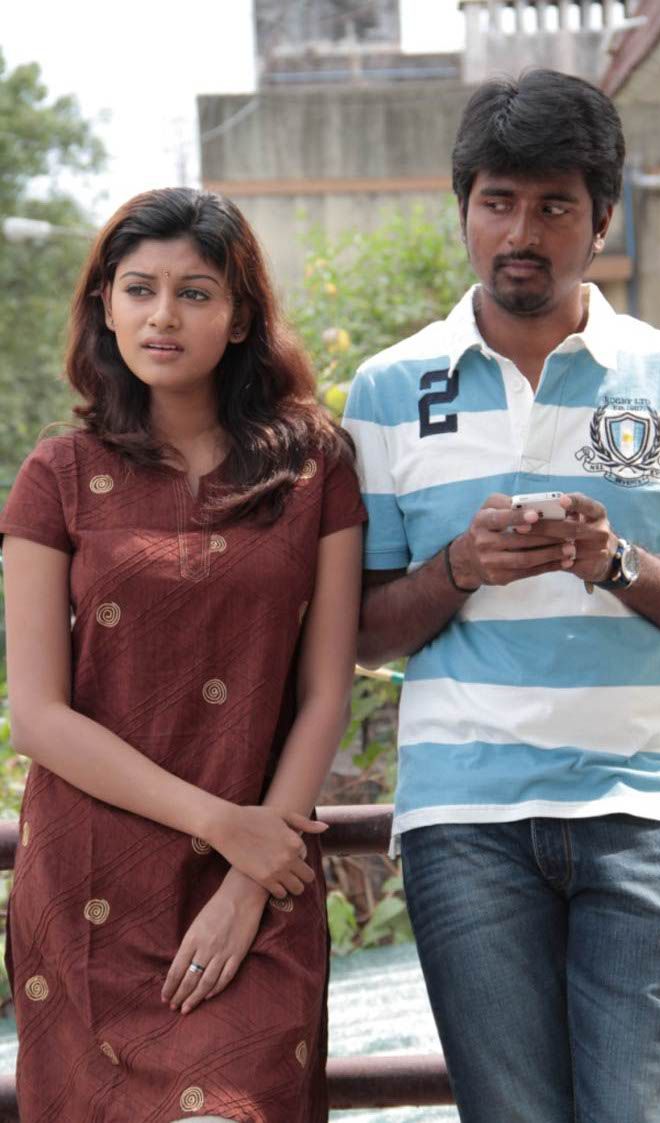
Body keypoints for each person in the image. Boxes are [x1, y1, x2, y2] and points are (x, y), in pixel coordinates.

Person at [343, 70, 660, 1123]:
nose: (522, 232)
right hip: (463, 818)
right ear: (464, 209)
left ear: (602, 219)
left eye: (555, 206)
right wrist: (458, 568)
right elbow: (360, 632)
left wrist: (616, 562)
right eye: (498, 201)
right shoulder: (387, 389)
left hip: (641, 806)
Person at [1, 187, 365, 1123]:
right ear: (106, 307)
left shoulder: (314, 467)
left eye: (195, 292)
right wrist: (220, 822)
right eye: (139, 289)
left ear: (240, 316)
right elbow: (36, 715)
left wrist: (248, 870)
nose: (163, 315)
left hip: (262, 870)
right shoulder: (57, 476)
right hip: (94, 882)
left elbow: (325, 690)